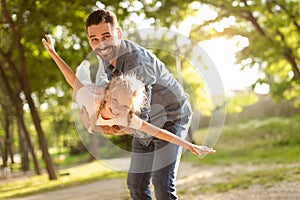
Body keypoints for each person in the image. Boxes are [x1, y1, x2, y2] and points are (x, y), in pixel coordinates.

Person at [82, 9, 209, 200]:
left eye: (106, 36)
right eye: (94, 39)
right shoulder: (107, 57)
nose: (101, 44)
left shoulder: (136, 63)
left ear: (118, 34)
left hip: (172, 117)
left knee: (162, 183)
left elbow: (139, 119)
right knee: (136, 185)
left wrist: (104, 128)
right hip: (149, 121)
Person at [41, 34, 215, 154]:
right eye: (116, 101)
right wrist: (53, 53)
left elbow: (160, 132)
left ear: (131, 108)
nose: (118, 109)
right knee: (84, 81)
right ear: (109, 97)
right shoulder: (92, 98)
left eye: (125, 106)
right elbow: (71, 78)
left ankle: (106, 81)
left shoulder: (128, 117)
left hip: (107, 96)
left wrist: (189, 145)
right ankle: (92, 70)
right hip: (99, 91)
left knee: (102, 94)